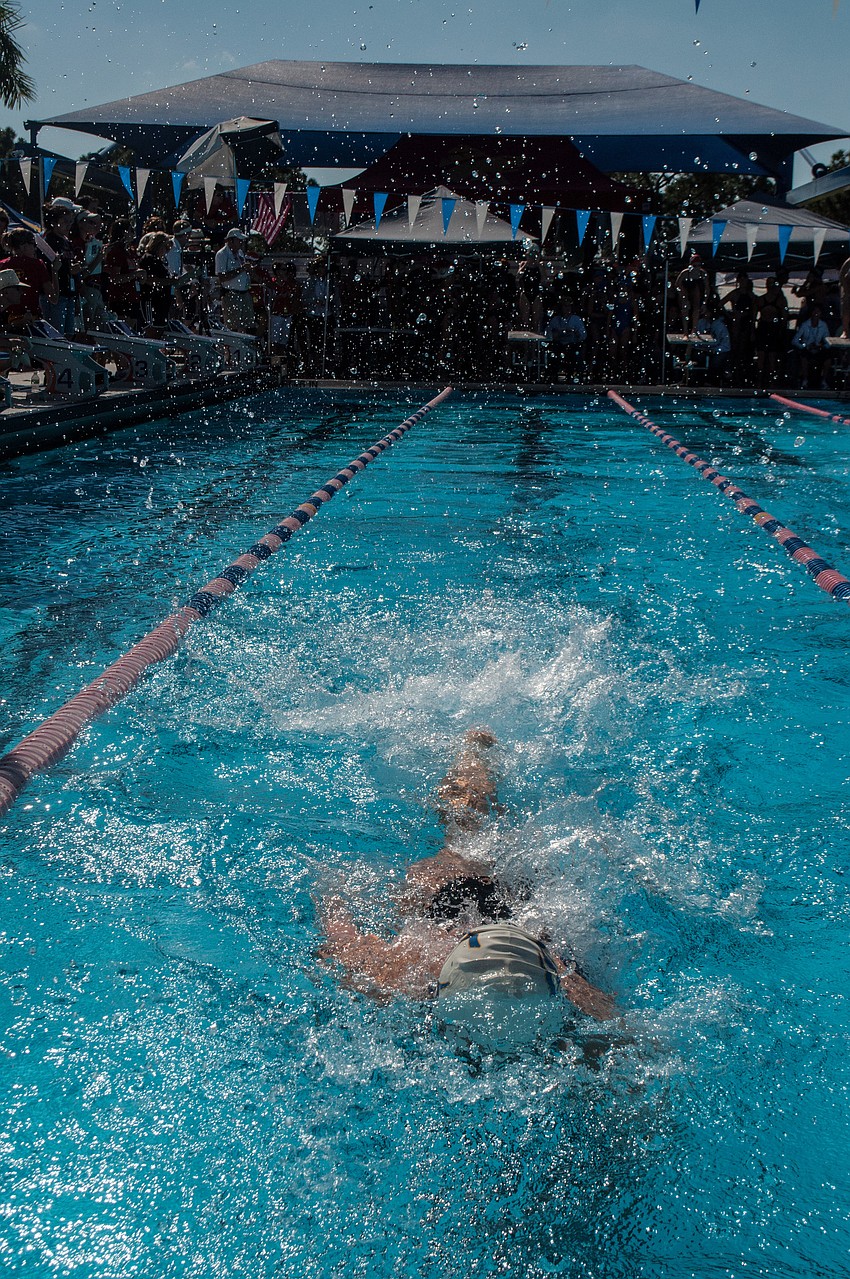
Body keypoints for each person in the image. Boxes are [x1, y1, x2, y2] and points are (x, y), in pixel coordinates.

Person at [317, 730, 617, 1054]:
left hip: (485, 910)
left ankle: (475, 760)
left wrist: (331, 896)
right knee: (468, 836)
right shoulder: (573, 988)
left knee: (467, 835)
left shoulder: (403, 971)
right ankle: (474, 757)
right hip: (491, 907)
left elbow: (341, 937)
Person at [214, 227, 255, 332]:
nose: (241, 243)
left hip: (244, 293)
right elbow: (222, 277)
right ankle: (232, 348)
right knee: (233, 326)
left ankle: (242, 347)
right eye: (239, 240)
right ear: (231, 241)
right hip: (231, 294)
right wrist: (241, 269)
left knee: (245, 325)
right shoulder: (221, 254)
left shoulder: (240, 253)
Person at [792, 303, 831, 389]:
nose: (816, 314)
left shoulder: (823, 325)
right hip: (807, 348)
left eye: (818, 312)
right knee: (803, 357)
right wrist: (805, 346)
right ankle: (805, 380)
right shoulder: (805, 325)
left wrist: (822, 346)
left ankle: (823, 381)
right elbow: (795, 341)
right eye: (815, 312)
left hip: (818, 348)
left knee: (828, 359)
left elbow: (828, 341)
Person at [675, 252, 709, 335]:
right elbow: (677, 285)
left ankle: (694, 329)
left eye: (699, 265)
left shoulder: (703, 274)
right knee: (685, 308)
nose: (697, 268)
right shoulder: (685, 273)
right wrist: (683, 296)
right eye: (695, 266)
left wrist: (704, 303)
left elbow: (707, 289)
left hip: (696, 289)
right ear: (690, 266)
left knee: (696, 307)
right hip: (685, 289)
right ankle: (686, 331)